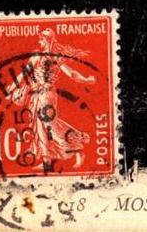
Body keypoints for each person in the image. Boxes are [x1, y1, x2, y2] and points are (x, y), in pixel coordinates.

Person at [6, 28, 95, 170]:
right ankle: (46, 161)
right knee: (39, 127)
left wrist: (86, 80)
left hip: (47, 95)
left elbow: (70, 73)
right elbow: (25, 75)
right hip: (36, 95)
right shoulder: (49, 57)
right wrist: (85, 79)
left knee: (50, 124)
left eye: (41, 39)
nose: (39, 41)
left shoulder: (47, 57)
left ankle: (77, 147)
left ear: (47, 40)